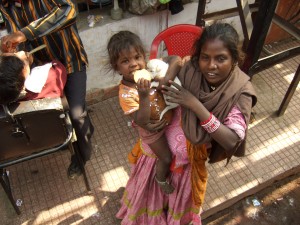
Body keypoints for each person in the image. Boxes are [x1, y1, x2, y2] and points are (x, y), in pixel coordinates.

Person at [0, 0, 94, 179]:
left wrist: (24, 33)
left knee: (77, 115)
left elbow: (69, 10)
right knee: (55, 113)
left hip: (69, 59)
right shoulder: (6, 5)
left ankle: (82, 157)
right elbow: (18, 38)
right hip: (40, 67)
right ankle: (70, 137)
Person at [107, 31, 183, 194]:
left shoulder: (151, 68)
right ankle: (160, 179)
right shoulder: (126, 94)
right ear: (117, 68)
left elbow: (177, 60)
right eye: (125, 61)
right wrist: (143, 95)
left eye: (137, 57)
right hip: (152, 131)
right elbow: (141, 121)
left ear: (144, 57)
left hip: (169, 116)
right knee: (166, 157)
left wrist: (165, 79)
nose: (134, 64)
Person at [0, 50, 66, 104]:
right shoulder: (51, 76)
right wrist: (29, 61)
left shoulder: (6, 96)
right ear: (24, 69)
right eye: (14, 54)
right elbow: (59, 66)